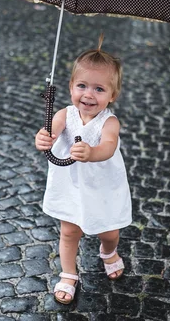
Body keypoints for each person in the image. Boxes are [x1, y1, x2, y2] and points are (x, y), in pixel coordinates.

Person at [34, 34, 132, 304]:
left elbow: (109, 147)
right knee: (69, 231)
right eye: (82, 86)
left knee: (109, 231)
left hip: (101, 184)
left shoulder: (109, 122)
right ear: (70, 87)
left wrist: (91, 152)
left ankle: (108, 252)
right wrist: (43, 138)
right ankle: (68, 273)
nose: (89, 94)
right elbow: (49, 133)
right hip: (71, 184)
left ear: (113, 95)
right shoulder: (64, 114)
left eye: (99, 89)